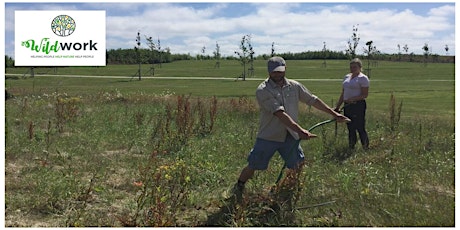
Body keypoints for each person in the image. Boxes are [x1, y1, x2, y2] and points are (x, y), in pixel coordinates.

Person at [233, 56, 350, 199]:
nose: (278, 74)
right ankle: (239, 185)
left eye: (280, 71)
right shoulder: (263, 90)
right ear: (269, 72)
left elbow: (312, 100)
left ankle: (287, 190)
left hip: (290, 135)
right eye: (274, 72)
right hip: (269, 135)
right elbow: (279, 114)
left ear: (285, 69)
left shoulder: (294, 86)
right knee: (254, 164)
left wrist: (334, 114)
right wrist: (300, 131)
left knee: (298, 164)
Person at [334, 58, 370, 150]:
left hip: (357, 105)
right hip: (347, 105)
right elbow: (343, 93)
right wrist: (338, 106)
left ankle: (365, 147)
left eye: (355, 67)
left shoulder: (363, 78)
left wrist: (353, 98)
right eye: (351, 67)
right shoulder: (347, 77)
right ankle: (351, 147)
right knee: (350, 127)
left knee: (360, 126)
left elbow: (364, 94)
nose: (352, 69)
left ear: (360, 67)